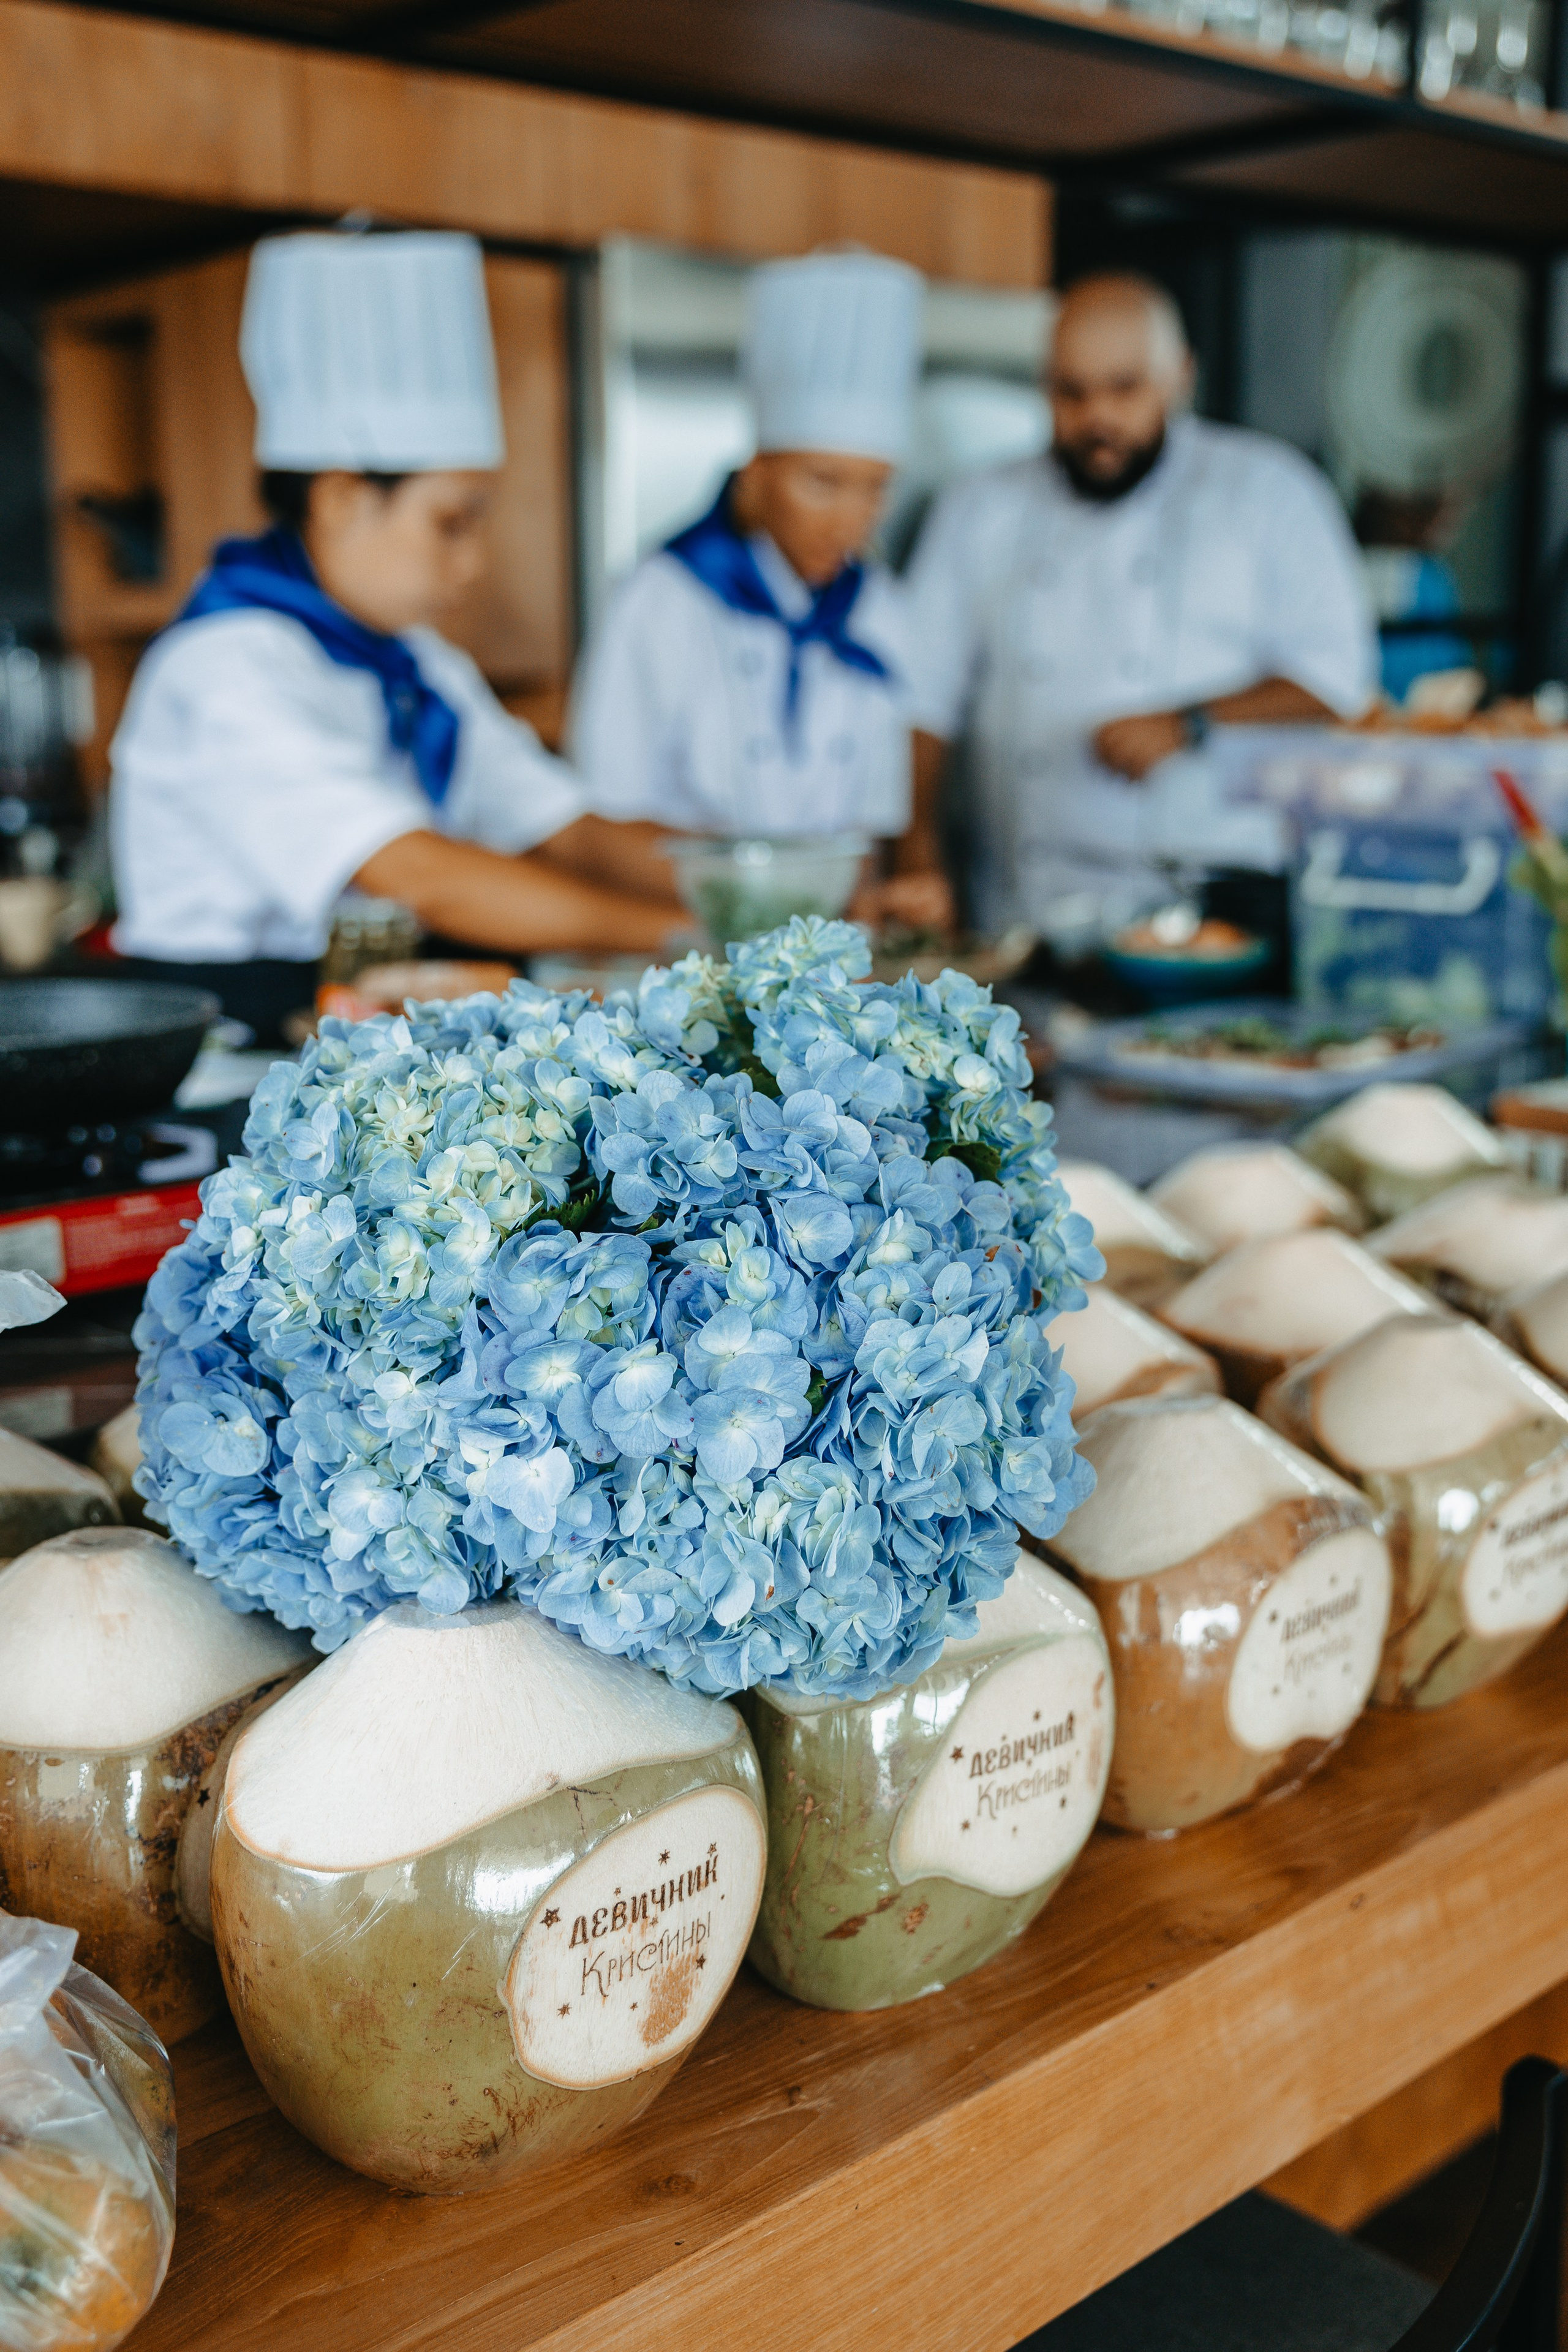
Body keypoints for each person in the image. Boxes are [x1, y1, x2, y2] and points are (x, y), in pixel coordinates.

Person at [109, 228, 685, 1042]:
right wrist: (691, 939)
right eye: (453, 523)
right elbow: (418, 874)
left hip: (384, 1013)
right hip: (241, 1042)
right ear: (343, 497)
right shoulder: (225, 664)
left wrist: (783, 899)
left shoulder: (415, 662)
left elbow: (570, 828)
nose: (475, 562)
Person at [905, 272, 1378, 946]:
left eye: (1124, 388)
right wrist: (917, 860)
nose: (1097, 419)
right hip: (1019, 914)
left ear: (1179, 376)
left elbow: (1336, 683)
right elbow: (921, 701)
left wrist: (1188, 722)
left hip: (1212, 918)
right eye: (1071, 392)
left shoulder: (1269, 492)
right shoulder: (980, 506)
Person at [570, 249, 952, 933]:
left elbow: (867, 841)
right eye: (823, 482)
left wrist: (880, 899)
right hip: (678, 959)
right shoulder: (660, 601)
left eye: (875, 488)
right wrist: (771, 906)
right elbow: (603, 826)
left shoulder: (881, 615)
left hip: (821, 979)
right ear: (755, 473)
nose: (851, 521)